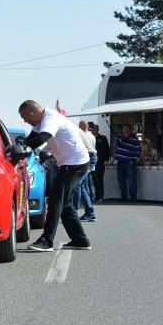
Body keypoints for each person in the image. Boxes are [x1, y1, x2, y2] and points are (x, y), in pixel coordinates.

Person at [18, 100, 91, 252]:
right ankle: (80, 240)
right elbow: (32, 137)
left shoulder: (51, 118)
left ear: (31, 113)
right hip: (72, 163)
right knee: (65, 204)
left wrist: (22, 149)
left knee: (55, 201)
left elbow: (40, 138)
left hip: (75, 164)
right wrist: (21, 143)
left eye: (24, 117)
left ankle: (46, 241)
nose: (25, 121)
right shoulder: (40, 120)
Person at [73, 120, 97, 222]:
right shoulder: (90, 135)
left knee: (79, 184)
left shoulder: (82, 134)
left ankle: (75, 210)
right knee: (82, 184)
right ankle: (89, 211)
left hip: (87, 158)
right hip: (88, 158)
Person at [113, 124, 141, 202]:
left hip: (130, 163)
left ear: (130, 130)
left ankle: (133, 197)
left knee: (132, 181)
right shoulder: (119, 137)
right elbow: (115, 145)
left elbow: (138, 151)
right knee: (121, 180)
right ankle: (124, 197)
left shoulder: (135, 139)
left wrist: (133, 160)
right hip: (120, 162)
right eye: (124, 129)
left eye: (127, 129)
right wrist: (123, 137)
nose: (125, 130)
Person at [90, 123, 110, 202]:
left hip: (100, 162)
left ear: (98, 129)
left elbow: (107, 150)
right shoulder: (90, 138)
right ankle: (97, 196)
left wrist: (106, 160)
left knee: (99, 179)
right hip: (92, 162)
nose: (94, 129)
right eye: (93, 128)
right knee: (94, 179)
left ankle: (101, 196)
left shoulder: (103, 138)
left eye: (96, 128)